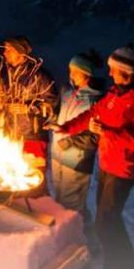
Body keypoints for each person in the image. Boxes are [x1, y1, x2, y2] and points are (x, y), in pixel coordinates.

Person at [51, 45, 134, 269]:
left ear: (126, 72)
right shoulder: (115, 94)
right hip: (108, 163)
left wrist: (109, 132)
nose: (108, 74)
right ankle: (126, 266)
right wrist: (65, 128)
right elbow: (92, 114)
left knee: (106, 221)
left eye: (112, 70)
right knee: (109, 219)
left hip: (124, 169)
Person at [0, 35, 58, 195]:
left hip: (33, 137)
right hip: (12, 136)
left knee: (34, 179)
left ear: (21, 53)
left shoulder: (40, 76)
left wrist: (28, 109)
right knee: (15, 178)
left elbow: (52, 108)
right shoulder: (7, 76)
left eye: (9, 50)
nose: (4, 53)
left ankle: (41, 209)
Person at [50, 53, 103, 220]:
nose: (70, 75)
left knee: (72, 207)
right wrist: (51, 117)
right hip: (58, 156)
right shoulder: (67, 91)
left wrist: (71, 141)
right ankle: (66, 238)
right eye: (70, 70)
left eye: (75, 71)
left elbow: (96, 137)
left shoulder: (96, 99)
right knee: (60, 202)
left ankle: (81, 240)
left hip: (77, 160)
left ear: (87, 74)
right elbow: (59, 114)